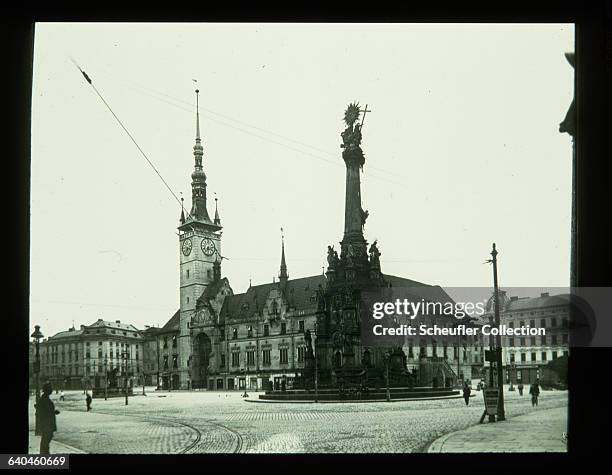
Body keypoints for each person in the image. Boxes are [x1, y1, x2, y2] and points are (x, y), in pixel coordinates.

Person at [36, 382, 60, 454]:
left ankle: (44, 455)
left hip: (47, 424)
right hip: (46, 424)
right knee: (45, 441)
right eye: (50, 388)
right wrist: (53, 412)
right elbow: (45, 412)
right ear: (47, 390)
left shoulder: (45, 399)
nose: (51, 390)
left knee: (46, 441)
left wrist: (53, 412)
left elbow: (45, 410)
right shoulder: (44, 400)